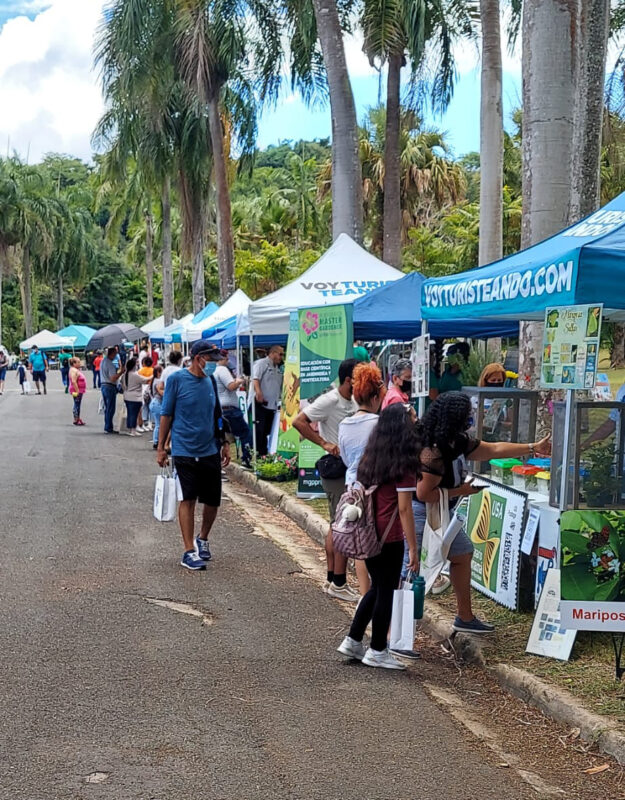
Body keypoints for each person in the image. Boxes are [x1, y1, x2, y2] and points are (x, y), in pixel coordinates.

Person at [415, 392, 551, 634]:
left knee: (462, 553)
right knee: (413, 568)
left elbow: (494, 449)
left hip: (442, 512)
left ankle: (465, 618)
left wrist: (533, 447)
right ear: (454, 417)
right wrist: (462, 490)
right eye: (467, 414)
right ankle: (395, 629)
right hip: (424, 514)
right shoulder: (434, 451)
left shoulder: (455, 441)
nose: (471, 417)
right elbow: (424, 494)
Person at [337, 404, 420, 670]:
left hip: (368, 532)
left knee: (377, 587)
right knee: (387, 591)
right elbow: (405, 509)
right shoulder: (403, 464)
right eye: (412, 417)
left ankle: (353, 639)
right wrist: (414, 550)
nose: (416, 420)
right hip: (389, 536)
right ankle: (378, 650)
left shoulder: (370, 457)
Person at [157, 340, 231, 571]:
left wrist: (224, 441)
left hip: (209, 449)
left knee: (212, 501)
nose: (213, 364)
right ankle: (189, 551)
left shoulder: (209, 381)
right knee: (187, 499)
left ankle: (203, 538)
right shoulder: (177, 380)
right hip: (184, 450)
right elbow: (166, 414)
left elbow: (217, 413)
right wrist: (161, 447)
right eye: (210, 360)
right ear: (198, 358)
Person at [293, 359, 361, 601]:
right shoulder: (331, 400)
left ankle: (333, 579)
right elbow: (298, 421)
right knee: (342, 525)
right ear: (348, 380)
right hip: (337, 469)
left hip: (350, 469)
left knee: (337, 524)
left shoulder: (354, 400)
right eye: (359, 376)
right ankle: (338, 583)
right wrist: (324, 443)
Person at [339, 363, 386, 487]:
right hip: (372, 487)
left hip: (351, 486)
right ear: (375, 398)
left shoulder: (344, 424)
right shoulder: (379, 423)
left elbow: (346, 459)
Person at [215, 353, 253, 468]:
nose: (227, 362)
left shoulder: (213, 372)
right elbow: (231, 386)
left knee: (218, 437)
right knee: (245, 433)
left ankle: (216, 464)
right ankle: (246, 458)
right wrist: (239, 381)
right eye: (226, 359)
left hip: (220, 409)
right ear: (222, 359)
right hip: (230, 409)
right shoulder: (222, 370)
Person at [252, 344, 284, 457]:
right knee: (259, 432)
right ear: (273, 353)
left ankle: (265, 454)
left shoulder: (278, 369)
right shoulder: (262, 364)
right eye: (280, 354)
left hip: (272, 405)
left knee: (267, 432)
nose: (281, 357)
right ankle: (257, 455)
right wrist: (258, 392)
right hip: (261, 403)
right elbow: (255, 379)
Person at [122, 357, 151, 436]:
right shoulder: (135, 375)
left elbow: (122, 386)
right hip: (135, 397)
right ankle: (133, 430)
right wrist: (153, 375)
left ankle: (131, 429)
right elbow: (146, 380)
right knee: (134, 414)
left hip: (127, 396)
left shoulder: (124, 375)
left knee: (130, 413)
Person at [100, 347, 125, 434]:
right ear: (113, 353)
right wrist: (121, 372)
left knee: (108, 407)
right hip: (109, 386)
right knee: (110, 408)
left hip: (103, 385)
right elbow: (113, 378)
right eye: (115, 353)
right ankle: (108, 427)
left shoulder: (103, 361)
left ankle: (108, 425)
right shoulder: (110, 364)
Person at [149, 365, 165, 449]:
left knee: (157, 423)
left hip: (154, 402)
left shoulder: (153, 380)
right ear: (158, 372)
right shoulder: (158, 381)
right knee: (159, 424)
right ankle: (156, 441)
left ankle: (156, 441)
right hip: (157, 403)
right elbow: (161, 391)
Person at [68, 357, 87, 426]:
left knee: (78, 403)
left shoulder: (76, 370)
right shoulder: (73, 370)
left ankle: (78, 418)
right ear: (74, 363)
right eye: (78, 362)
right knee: (77, 404)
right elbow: (73, 381)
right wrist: (77, 391)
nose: (80, 363)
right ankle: (76, 419)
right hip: (76, 390)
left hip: (79, 390)